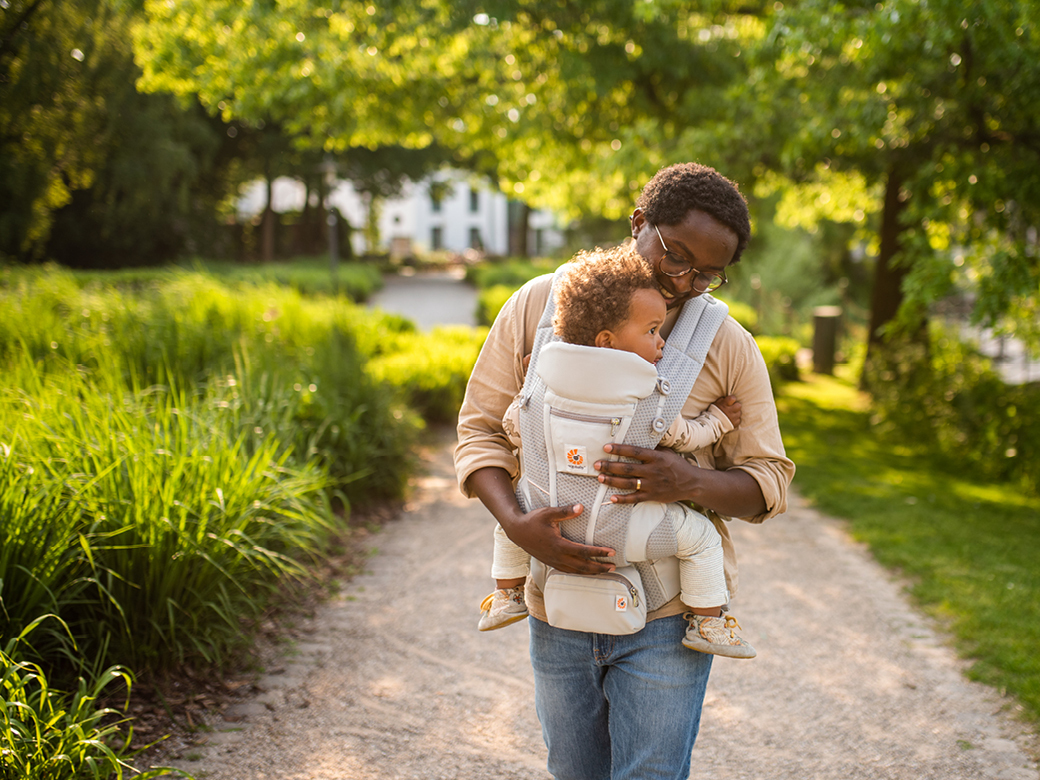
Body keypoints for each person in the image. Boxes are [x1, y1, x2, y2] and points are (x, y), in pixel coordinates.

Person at [455, 162, 795, 780]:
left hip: (667, 619)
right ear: (639, 223)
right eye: (675, 255)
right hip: (555, 606)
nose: (683, 281)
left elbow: (767, 482)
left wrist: (686, 480)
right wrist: (517, 524)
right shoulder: (539, 305)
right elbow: (479, 431)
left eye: (707, 272)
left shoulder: (727, 345)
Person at [477, 244, 756, 659]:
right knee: (700, 539)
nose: (661, 343)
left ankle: (507, 592)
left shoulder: (539, 381)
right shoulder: (649, 395)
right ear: (607, 341)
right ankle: (709, 622)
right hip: (620, 532)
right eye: (652, 332)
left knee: (511, 517)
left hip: (550, 522)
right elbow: (685, 437)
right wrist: (719, 420)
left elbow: (513, 426)